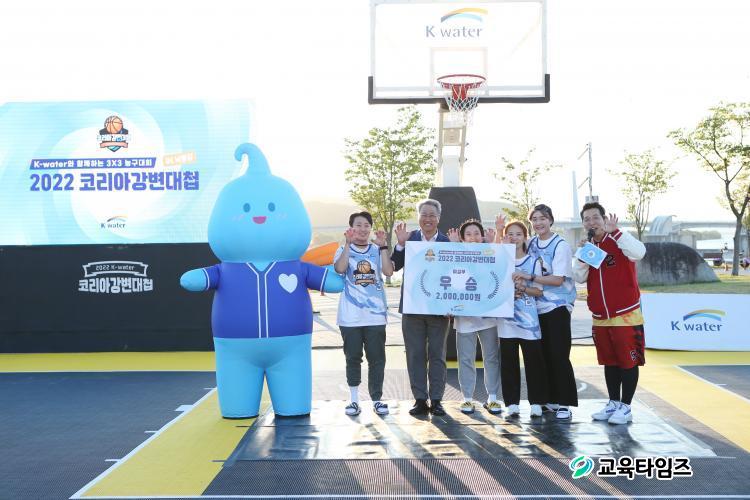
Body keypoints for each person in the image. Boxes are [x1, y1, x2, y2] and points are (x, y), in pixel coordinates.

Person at [573, 202, 647, 425]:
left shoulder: (618, 239)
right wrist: (582, 254)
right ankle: (613, 402)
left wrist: (616, 232)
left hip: (625, 313)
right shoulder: (589, 247)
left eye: (596, 217)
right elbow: (578, 276)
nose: (591, 222)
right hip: (600, 316)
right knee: (610, 361)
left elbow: (639, 252)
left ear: (604, 219)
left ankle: (626, 406)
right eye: (587, 219)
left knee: (627, 362)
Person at [392, 199, 451, 416]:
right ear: (418, 217)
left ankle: (436, 400)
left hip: (439, 309)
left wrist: (452, 304)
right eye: (424, 214)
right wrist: (400, 245)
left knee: (437, 355)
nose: (428, 219)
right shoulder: (409, 239)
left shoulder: (447, 241)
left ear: (439, 218)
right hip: (412, 307)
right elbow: (395, 266)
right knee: (415, 354)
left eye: (432, 215)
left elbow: (455, 273)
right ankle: (420, 399)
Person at [522, 204, 578, 420]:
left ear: (551, 220)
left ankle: (565, 403)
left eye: (543, 218)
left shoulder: (560, 245)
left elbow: (558, 279)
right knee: (543, 355)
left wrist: (530, 277)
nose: (538, 223)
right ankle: (550, 399)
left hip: (557, 306)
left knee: (559, 355)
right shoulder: (531, 243)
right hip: (536, 306)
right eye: (534, 219)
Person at [334, 211, 394, 416]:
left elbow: (388, 272)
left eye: (366, 225)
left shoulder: (377, 249)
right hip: (350, 316)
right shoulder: (343, 249)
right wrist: (348, 244)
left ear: (370, 228)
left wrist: (383, 246)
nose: (362, 229)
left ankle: (377, 400)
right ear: (351, 228)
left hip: (375, 315)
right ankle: (353, 400)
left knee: (377, 359)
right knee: (353, 358)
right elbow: (340, 268)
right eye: (358, 225)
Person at [447, 220, 502, 415]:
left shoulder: (491, 254)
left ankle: (493, 398)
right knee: (465, 359)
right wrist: (454, 246)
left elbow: (501, 268)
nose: (473, 237)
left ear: (482, 236)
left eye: (476, 233)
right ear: (462, 238)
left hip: (488, 318)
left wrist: (497, 237)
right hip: (464, 318)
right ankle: (467, 399)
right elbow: (447, 281)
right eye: (468, 234)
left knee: (491, 358)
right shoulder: (455, 256)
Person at [497, 221, 549, 417]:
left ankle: (536, 402)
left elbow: (539, 291)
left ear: (525, 238)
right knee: (509, 363)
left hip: (529, 321)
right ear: (505, 237)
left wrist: (523, 288)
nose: (514, 237)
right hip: (506, 321)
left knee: (534, 362)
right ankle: (512, 403)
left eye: (518, 234)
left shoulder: (533, 262)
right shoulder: (501, 261)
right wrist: (509, 293)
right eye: (510, 234)